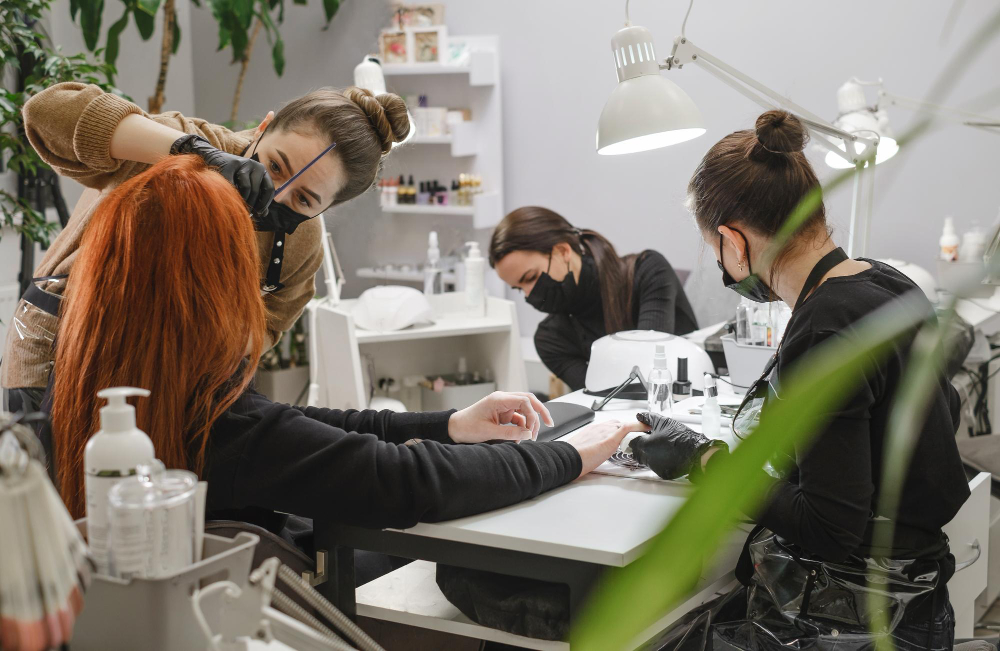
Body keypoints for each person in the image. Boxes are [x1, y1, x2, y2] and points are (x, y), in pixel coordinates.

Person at [44, 155, 636, 577]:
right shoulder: (220, 425)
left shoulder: (94, 389)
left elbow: (299, 425)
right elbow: (405, 479)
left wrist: (451, 424)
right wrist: (569, 454)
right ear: (207, 288)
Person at [631, 111, 969, 649]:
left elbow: (828, 528)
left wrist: (706, 461)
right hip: (916, 593)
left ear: (733, 242)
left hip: (856, 614)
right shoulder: (888, 282)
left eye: (715, 250)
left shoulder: (825, 326)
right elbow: (940, 410)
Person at [4, 81, 409, 414]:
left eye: (304, 199)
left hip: (166, 380)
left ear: (328, 207)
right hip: (59, 348)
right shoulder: (191, 143)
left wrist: (210, 333)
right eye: (275, 166)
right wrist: (189, 152)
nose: (277, 194)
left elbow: (269, 324)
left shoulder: (302, 243)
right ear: (263, 128)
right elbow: (46, 112)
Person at [489, 206, 698, 391]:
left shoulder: (649, 272)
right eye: (519, 289)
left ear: (562, 251)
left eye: (531, 277)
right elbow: (598, 397)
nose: (528, 294)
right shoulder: (550, 340)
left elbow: (647, 371)